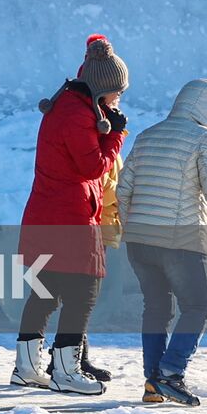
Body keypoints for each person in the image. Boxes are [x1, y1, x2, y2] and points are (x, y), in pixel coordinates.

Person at [117, 78, 207, 407]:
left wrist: (128, 227)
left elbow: (123, 188)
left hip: (140, 243)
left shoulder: (147, 136)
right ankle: (171, 373)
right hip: (178, 239)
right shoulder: (203, 138)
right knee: (199, 305)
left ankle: (153, 381)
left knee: (157, 308)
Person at [11, 35, 129, 395]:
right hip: (70, 217)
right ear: (101, 89)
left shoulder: (70, 107)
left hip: (47, 213)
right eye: (117, 93)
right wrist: (116, 135)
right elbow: (93, 166)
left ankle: (27, 368)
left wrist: (104, 122)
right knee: (84, 290)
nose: (119, 99)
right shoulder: (78, 116)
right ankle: (65, 371)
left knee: (46, 292)